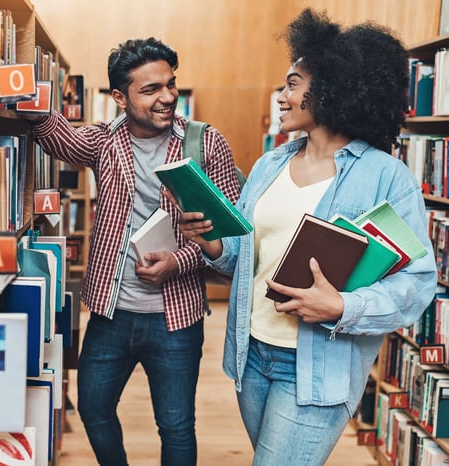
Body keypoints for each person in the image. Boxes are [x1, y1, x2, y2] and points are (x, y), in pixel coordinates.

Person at [171, 9, 437, 465]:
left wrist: (342, 307)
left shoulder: (386, 176)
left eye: (293, 85)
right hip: (251, 356)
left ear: (332, 90)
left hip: (317, 368)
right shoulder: (268, 166)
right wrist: (212, 241)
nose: (281, 96)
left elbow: (417, 284)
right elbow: (245, 257)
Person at [27, 37, 241, 465]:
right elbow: (58, 138)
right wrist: (26, 94)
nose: (166, 97)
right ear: (120, 98)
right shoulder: (104, 141)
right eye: (150, 90)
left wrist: (178, 261)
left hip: (176, 318)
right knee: (93, 408)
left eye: (170, 84)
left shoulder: (205, 144)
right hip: (111, 313)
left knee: (177, 426)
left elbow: (231, 237)